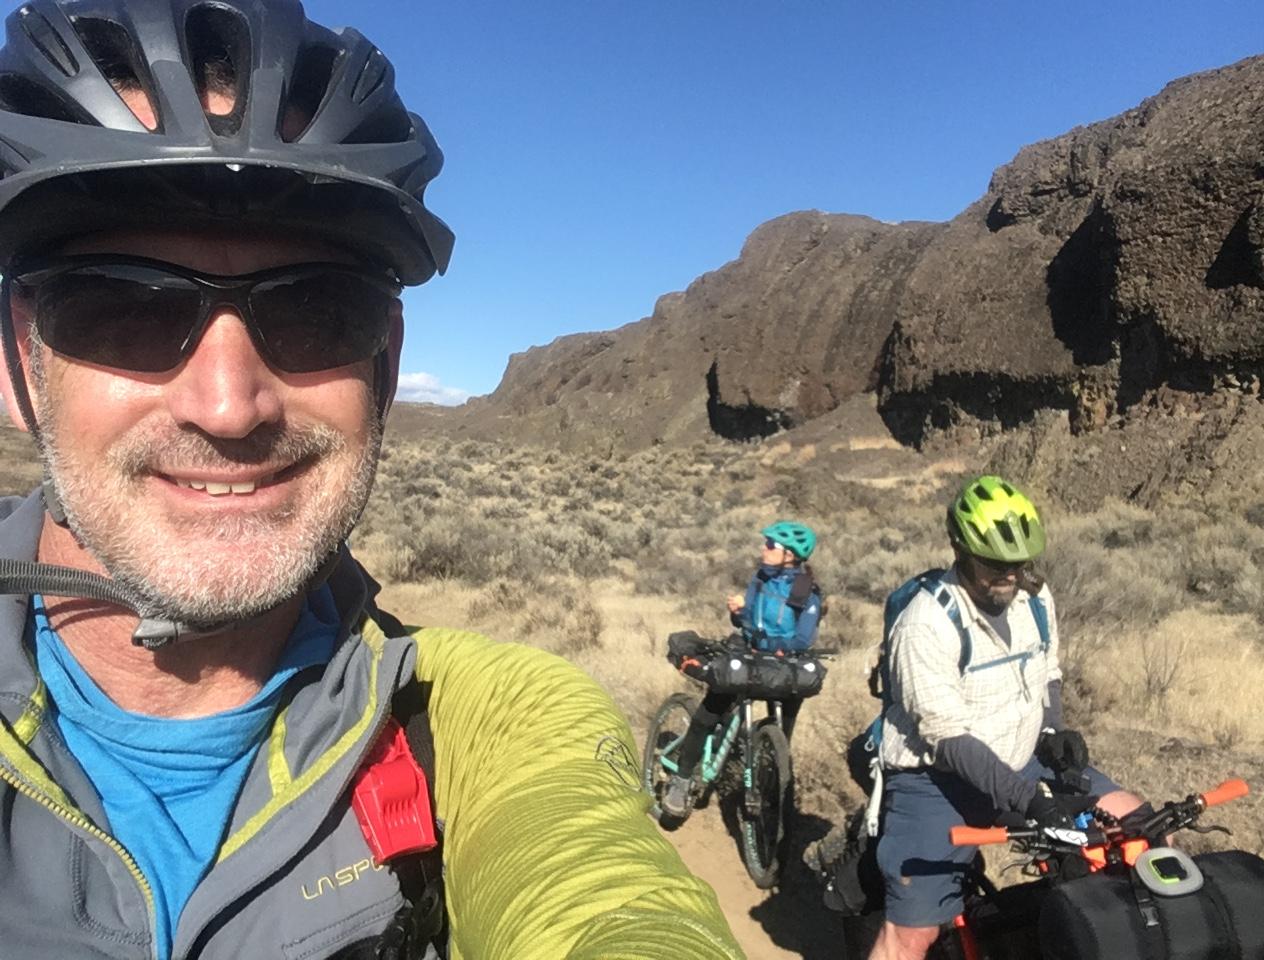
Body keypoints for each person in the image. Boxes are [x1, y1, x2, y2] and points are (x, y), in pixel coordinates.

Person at [0, 3, 744, 958]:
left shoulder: (481, 724)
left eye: (316, 312)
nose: (229, 406)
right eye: (124, 309)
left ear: (384, 368)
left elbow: (604, 904)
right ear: (20, 363)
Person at [867, 475, 1143, 960]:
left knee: (1140, 831)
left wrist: (1052, 729)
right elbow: (947, 738)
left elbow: (1048, 671)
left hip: (1022, 760)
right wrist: (1027, 800)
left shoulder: (1035, 599)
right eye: (994, 565)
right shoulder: (925, 623)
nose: (1010, 577)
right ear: (959, 549)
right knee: (911, 936)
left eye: (1019, 564)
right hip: (938, 780)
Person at [661, 521, 822, 818]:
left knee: (783, 735)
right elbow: (747, 623)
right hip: (748, 657)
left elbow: (803, 639)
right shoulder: (760, 578)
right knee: (707, 716)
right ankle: (681, 781)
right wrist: (739, 613)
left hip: (783, 665)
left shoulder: (805, 590)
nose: (764, 548)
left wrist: (769, 644)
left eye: (771, 545)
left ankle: (774, 787)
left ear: (789, 555)